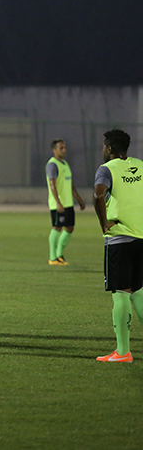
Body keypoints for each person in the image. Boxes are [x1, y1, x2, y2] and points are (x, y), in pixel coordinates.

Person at [92, 129, 143, 363]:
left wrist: (104, 223)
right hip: (141, 237)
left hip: (120, 238)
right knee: (139, 292)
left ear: (110, 148)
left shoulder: (107, 169)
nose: (103, 150)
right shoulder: (140, 166)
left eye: (104, 147)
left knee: (121, 293)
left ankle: (123, 352)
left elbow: (98, 194)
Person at [47, 138, 86, 265]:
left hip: (68, 203)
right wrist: (58, 203)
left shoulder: (65, 164)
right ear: (54, 150)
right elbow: (52, 184)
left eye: (64, 147)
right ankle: (53, 258)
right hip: (58, 204)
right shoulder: (52, 165)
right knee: (57, 227)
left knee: (69, 228)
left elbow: (70, 185)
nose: (64, 150)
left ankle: (59, 255)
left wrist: (79, 199)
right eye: (61, 148)